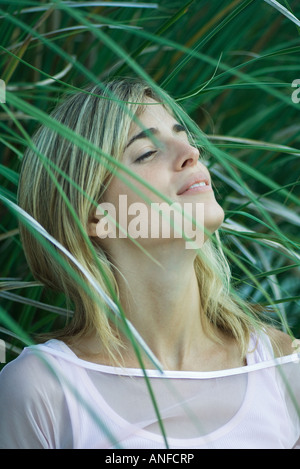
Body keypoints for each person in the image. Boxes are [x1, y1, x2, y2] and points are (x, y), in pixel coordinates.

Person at [0, 78, 299, 449]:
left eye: (182, 134)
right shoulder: (41, 390)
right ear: (95, 215)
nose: (191, 151)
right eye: (147, 152)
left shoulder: (284, 365)